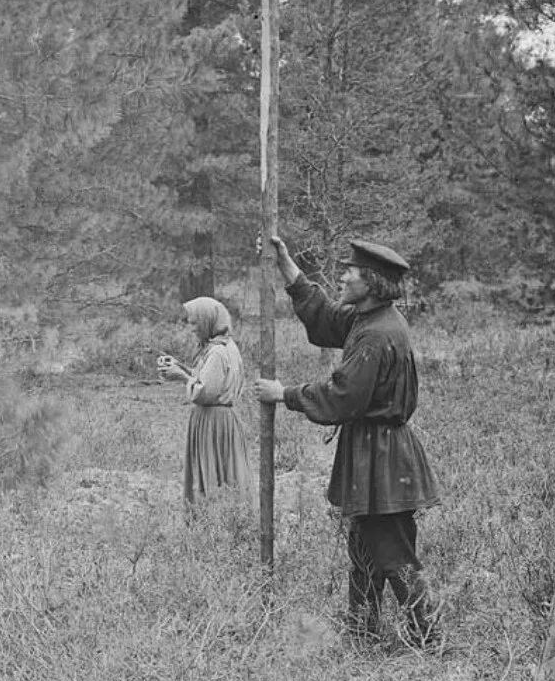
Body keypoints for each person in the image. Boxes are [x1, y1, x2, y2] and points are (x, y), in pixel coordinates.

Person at [254, 235, 440, 646]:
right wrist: (287, 266)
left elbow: (343, 397)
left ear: (371, 282)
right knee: (365, 554)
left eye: (350, 273)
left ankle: (430, 640)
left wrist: (284, 394)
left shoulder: (378, 333)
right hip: (374, 454)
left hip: (385, 459)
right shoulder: (368, 318)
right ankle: (362, 636)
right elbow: (325, 319)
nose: (342, 277)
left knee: (394, 555)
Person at [157, 297, 253, 503]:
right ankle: (223, 520)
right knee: (223, 473)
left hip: (212, 422)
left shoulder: (217, 352)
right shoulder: (225, 346)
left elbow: (206, 391)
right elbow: (209, 378)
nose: (191, 328)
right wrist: (180, 367)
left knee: (211, 473)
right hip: (222, 420)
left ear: (208, 321)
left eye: (195, 323)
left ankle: (211, 520)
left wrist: (182, 377)